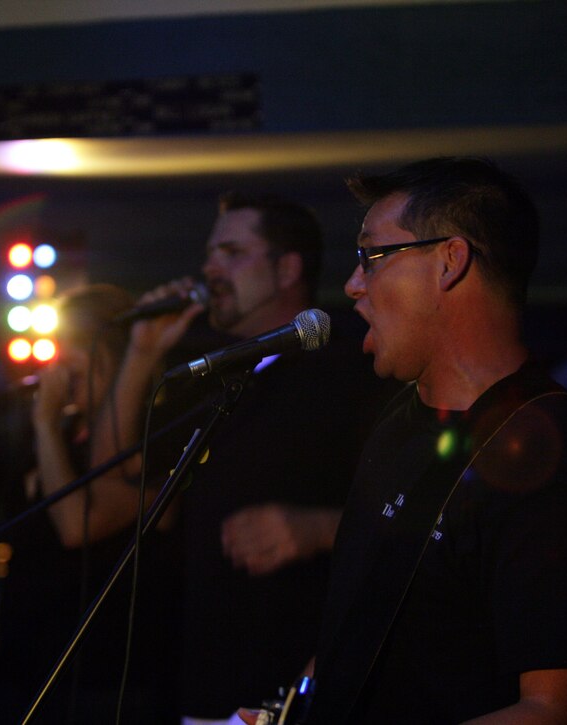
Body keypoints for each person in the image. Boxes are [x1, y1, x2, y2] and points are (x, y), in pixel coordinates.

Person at [276, 157, 567, 724]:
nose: (353, 284)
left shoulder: (549, 447)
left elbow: (553, 710)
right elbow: (365, 627)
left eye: (372, 256)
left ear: (449, 261)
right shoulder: (400, 422)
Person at [96, 192, 387, 723]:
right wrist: (141, 355)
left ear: (287, 269)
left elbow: (415, 516)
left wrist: (319, 528)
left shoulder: (353, 371)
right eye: (211, 254)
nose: (210, 269)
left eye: (232, 252)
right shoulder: (214, 378)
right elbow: (121, 475)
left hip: (300, 691)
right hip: (204, 686)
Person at [0, 283, 182, 724]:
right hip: (24, 671)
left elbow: (75, 527)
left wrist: (45, 425)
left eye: (74, 352)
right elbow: (32, 545)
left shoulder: (154, 444)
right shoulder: (62, 437)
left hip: (98, 687)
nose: (59, 366)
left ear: (114, 357)